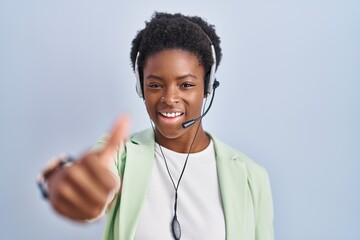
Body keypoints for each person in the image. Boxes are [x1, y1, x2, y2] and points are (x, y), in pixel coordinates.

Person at [37, 12, 274, 240]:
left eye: (186, 85)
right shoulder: (122, 155)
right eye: (155, 85)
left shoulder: (251, 177)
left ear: (207, 86)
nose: (169, 98)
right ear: (141, 87)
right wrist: (61, 180)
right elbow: (90, 178)